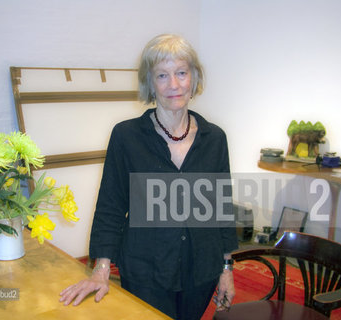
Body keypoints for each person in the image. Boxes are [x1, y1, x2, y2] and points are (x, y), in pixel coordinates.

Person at [60, 34, 238, 320]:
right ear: (150, 83)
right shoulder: (126, 137)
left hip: (201, 270)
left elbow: (221, 209)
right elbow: (111, 206)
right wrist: (101, 270)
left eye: (181, 72)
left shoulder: (215, 138)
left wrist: (227, 270)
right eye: (162, 75)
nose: (174, 84)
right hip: (146, 270)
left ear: (193, 77)